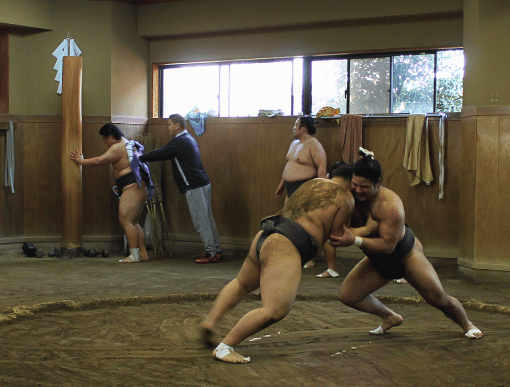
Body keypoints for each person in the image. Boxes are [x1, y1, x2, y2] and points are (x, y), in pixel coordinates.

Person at [329, 149, 483, 339]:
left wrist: (355, 239)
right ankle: (390, 317)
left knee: (437, 298)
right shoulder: (350, 195)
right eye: (355, 184)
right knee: (348, 295)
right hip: (377, 259)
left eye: (365, 187)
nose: (358, 190)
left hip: (405, 255)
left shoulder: (390, 205)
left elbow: (388, 246)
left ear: (378, 184)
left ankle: (468, 325)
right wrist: (364, 231)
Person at [201, 177, 354, 363]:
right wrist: (365, 233)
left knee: (242, 283)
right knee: (275, 309)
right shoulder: (345, 197)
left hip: (267, 234)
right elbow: (337, 236)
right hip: (286, 245)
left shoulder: (313, 183)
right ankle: (225, 348)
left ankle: (210, 322)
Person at [139, 113, 223, 264]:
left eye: (169, 125)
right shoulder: (188, 138)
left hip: (194, 185)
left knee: (201, 221)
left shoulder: (179, 141)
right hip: (202, 182)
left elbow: (160, 153)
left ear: (177, 125)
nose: (168, 128)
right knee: (207, 219)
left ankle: (211, 253)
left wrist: (139, 157)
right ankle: (216, 251)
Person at [70, 123, 151, 263]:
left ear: (111, 137)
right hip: (138, 186)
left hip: (132, 187)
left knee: (126, 220)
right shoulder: (128, 144)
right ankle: (142, 254)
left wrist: (80, 161)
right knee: (134, 222)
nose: (105, 142)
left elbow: (99, 161)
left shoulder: (118, 147)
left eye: (105, 138)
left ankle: (134, 255)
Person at [275, 116, 327, 202]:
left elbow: (322, 166)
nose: (293, 128)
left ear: (303, 128)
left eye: (296, 125)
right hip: (289, 188)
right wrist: (282, 184)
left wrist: (320, 190)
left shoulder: (314, 144)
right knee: (287, 214)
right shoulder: (294, 143)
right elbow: (289, 164)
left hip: (304, 188)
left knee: (301, 215)